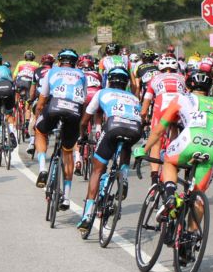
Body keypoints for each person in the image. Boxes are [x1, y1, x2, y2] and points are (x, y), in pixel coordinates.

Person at [135, 71, 213, 259]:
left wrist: (144, 149)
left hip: (191, 140)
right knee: (198, 197)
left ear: (188, 86)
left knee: (169, 161)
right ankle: (189, 241)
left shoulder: (181, 98)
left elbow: (159, 130)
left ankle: (170, 196)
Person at [76, 67, 143, 233]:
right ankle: (124, 177)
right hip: (135, 130)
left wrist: (82, 136)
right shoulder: (134, 98)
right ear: (126, 83)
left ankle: (87, 215)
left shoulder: (102, 92)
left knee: (97, 170)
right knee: (126, 145)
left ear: (109, 81)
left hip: (113, 127)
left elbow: (85, 120)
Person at [33, 48, 86, 209]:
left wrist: (37, 116)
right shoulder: (81, 75)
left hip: (55, 107)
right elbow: (83, 101)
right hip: (75, 111)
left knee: (40, 132)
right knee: (68, 152)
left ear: (60, 61)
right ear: (75, 62)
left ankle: (42, 168)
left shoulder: (52, 71)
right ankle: (67, 198)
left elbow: (42, 99)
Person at [140, 55, 187, 184]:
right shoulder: (182, 78)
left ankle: (154, 178)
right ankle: (172, 159)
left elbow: (146, 101)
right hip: (179, 106)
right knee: (174, 131)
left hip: (161, 106)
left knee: (156, 140)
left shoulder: (155, 78)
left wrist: (143, 117)